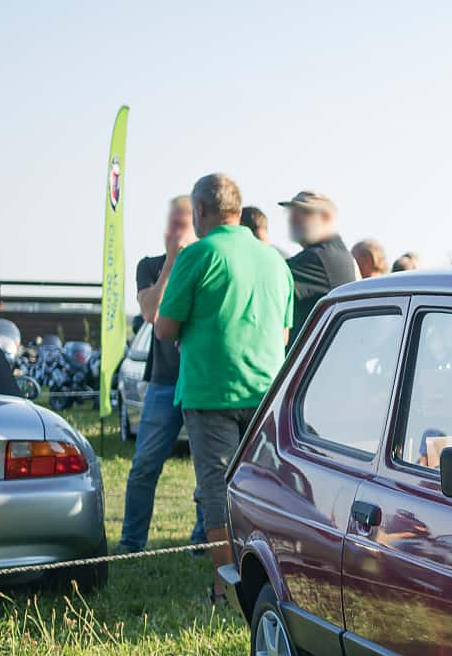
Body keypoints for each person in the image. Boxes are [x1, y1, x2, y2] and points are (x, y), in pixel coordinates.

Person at [154, 173, 294, 601]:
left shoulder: (198, 254)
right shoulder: (274, 259)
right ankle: (271, 575)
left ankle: (224, 583)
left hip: (211, 392)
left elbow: (164, 328)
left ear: (200, 211)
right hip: (267, 393)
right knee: (265, 487)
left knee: (217, 489)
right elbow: (285, 335)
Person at [116, 195, 197, 554]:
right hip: (164, 380)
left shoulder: (207, 262)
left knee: (206, 470)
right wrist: (171, 262)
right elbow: (150, 312)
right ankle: (132, 543)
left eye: (185, 221)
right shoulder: (150, 266)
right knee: (144, 465)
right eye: (174, 220)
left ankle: (200, 542)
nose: (178, 227)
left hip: (200, 379)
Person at [279, 189, 357, 322]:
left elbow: (269, 277)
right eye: (292, 212)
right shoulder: (339, 253)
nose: (292, 219)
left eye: (303, 212)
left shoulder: (319, 258)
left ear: (326, 217)